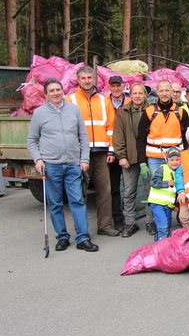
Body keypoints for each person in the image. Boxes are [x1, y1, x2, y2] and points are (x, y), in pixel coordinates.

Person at [27, 78, 98, 252]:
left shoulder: (73, 110)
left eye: (58, 89)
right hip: (51, 166)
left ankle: (82, 238)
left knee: (77, 201)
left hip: (73, 165)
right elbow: (32, 140)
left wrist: (84, 160)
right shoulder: (39, 114)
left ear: (63, 91)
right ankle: (62, 237)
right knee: (55, 203)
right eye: (51, 91)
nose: (56, 93)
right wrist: (38, 159)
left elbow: (83, 137)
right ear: (46, 94)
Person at [66, 65, 119, 237]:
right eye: (83, 78)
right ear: (78, 80)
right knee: (80, 193)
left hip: (102, 152)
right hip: (80, 153)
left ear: (94, 80)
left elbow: (111, 127)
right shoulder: (71, 100)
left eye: (89, 77)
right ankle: (82, 230)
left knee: (105, 190)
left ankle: (104, 226)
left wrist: (111, 151)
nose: (87, 81)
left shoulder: (104, 101)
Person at [113, 82, 156, 238]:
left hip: (148, 157)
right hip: (130, 159)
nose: (137, 96)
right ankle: (130, 223)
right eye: (134, 93)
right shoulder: (123, 112)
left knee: (150, 191)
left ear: (145, 95)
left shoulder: (152, 110)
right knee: (129, 192)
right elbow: (118, 136)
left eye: (140, 93)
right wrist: (121, 156)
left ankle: (151, 222)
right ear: (130, 95)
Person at [137, 80, 189, 177]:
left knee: (175, 188)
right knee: (157, 188)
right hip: (154, 159)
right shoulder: (149, 112)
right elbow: (141, 138)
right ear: (157, 92)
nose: (164, 94)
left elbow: (187, 139)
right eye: (161, 91)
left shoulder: (181, 112)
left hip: (175, 158)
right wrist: (142, 162)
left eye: (167, 90)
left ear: (171, 91)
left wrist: (187, 158)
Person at [108, 75, 130, 230]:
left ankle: (130, 217)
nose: (116, 89)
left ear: (123, 87)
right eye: (113, 86)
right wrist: (111, 151)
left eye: (118, 86)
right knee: (114, 188)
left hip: (128, 151)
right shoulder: (104, 103)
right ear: (109, 87)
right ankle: (117, 219)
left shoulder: (129, 102)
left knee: (129, 188)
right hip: (111, 151)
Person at [148, 147, 181, 241]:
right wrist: (166, 183)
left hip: (168, 206)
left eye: (177, 159)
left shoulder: (177, 172)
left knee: (166, 226)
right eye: (172, 160)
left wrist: (175, 205)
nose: (175, 162)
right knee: (163, 225)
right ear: (167, 160)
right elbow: (153, 182)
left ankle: (157, 245)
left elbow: (174, 192)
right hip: (157, 203)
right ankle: (162, 247)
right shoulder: (162, 169)